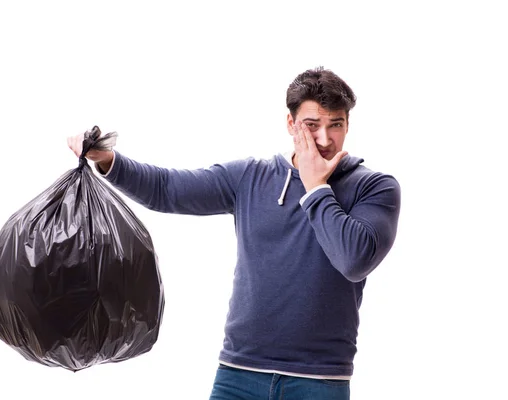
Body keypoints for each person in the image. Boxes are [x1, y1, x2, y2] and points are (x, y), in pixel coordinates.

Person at [67, 67, 401, 399]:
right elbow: (168, 189)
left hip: (320, 381)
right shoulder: (251, 177)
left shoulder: (375, 187)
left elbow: (354, 260)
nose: (325, 140)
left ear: (347, 125)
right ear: (290, 124)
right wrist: (109, 160)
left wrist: (315, 187)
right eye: (312, 126)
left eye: (336, 125)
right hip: (239, 375)